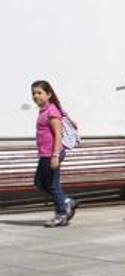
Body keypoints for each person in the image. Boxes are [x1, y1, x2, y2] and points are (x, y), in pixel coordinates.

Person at [30, 81, 77, 228]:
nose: (35, 95)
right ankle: (66, 201)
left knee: (52, 186)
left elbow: (58, 135)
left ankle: (61, 214)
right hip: (45, 155)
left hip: (52, 154)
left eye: (39, 92)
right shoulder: (43, 111)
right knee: (39, 183)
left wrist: (55, 155)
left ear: (49, 94)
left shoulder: (52, 111)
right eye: (33, 93)